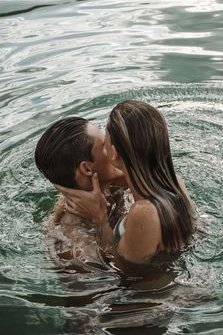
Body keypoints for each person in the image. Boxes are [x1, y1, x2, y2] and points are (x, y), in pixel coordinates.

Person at [57, 101, 196, 265]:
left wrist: (100, 220)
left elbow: (122, 269)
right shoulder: (176, 184)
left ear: (114, 154)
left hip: (155, 290)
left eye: (105, 144)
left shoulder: (143, 212)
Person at [34, 117, 128, 268]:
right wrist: (102, 223)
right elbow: (125, 277)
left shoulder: (108, 184)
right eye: (105, 145)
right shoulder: (74, 248)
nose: (114, 147)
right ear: (87, 169)